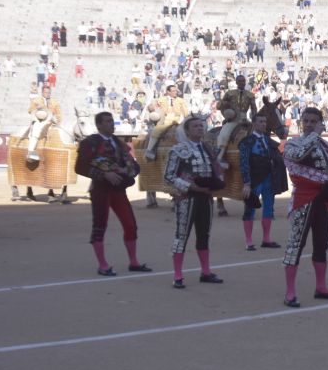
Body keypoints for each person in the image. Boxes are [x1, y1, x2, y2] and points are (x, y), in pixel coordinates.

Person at [281, 107, 328, 307]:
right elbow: (298, 156)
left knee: (322, 244)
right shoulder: (294, 144)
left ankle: (321, 287)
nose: (309, 125)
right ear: (301, 123)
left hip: (323, 201)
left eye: (313, 121)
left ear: (320, 123)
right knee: (295, 245)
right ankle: (290, 292)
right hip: (303, 199)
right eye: (306, 121)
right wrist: (315, 136)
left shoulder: (327, 148)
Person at [74, 111, 149, 276]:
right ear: (99, 125)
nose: (111, 124)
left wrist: (126, 170)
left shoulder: (118, 142)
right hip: (100, 189)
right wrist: (104, 174)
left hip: (118, 189)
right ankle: (103, 265)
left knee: (130, 224)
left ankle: (133, 262)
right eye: (107, 121)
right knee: (100, 225)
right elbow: (80, 167)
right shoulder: (90, 142)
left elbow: (134, 166)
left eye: (112, 121)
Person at [164, 114, 225, 289]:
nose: (200, 128)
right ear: (187, 131)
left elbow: (215, 171)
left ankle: (205, 272)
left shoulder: (208, 149)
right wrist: (190, 187)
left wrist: (216, 183)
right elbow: (168, 176)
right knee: (181, 235)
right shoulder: (178, 149)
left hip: (205, 197)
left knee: (204, 235)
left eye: (201, 126)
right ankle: (177, 275)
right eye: (196, 126)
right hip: (187, 198)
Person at [238, 111, 286, 250]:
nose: (263, 124)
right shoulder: (247, 142)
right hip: (254, 179)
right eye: (260, 122)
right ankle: (249, 241)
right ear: (254, 124)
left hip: (268, 178)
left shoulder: (267, 140)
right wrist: (246, 183)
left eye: (265, 122)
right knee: (250, 208)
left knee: (269, 208)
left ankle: (266, 239)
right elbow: (244, 163)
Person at [214, 74, 257, 170]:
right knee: (224, 134)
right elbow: (220, 106)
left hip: (245, 118)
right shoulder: (230, 93)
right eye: (240, 81)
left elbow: (254, 109)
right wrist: (226, 112)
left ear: (245, 82)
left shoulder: (250, 95)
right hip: (233, 119)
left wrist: (254, 120)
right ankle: (219, 156)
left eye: (243, 81)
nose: (242, 83)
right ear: (236, 82)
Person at [20, 84, 62, 167]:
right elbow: (30, 110)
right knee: (36, 128)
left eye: (49, 92)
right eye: (46, 92)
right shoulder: (36, 101)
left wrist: (58, 122)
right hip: (40, 121)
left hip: (51, 122)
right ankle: (31, 151)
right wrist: (37, 108)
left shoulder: (55, 102)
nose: (47, 94)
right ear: (42, 92)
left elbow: (59, 114)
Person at [144, 83, 188, 160]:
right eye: (173, 91)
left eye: (176, 91)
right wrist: (152, 107)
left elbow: (186, 113)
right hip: (163, 119)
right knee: (157, 130)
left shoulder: (180, 100)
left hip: (175, 119)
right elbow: (151, 108)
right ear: (168, 92)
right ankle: (150, 150)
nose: (176, 92)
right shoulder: (161, 99)